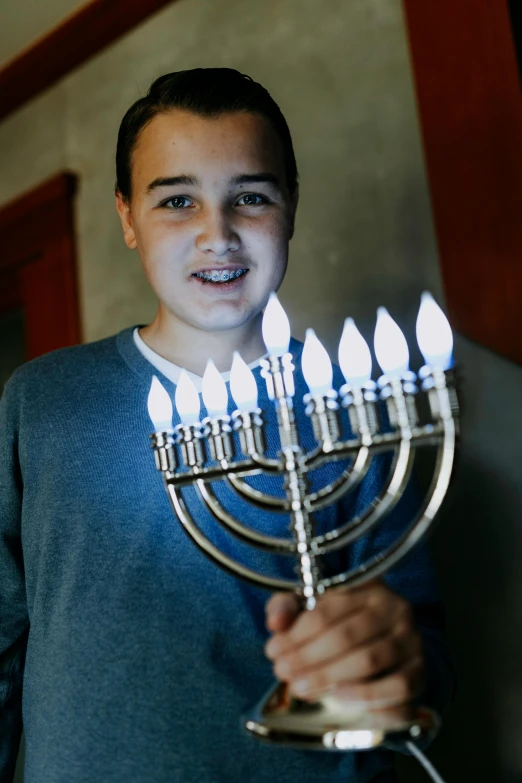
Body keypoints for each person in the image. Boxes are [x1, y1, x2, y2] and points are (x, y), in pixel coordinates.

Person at [0, 68, 455, 783]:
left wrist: (396, 657)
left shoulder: (358, 404)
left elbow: (420, 647)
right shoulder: (42, 400)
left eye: (250, 196)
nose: (218, 234)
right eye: (177, 200)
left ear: (291, 208)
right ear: (126, 216)